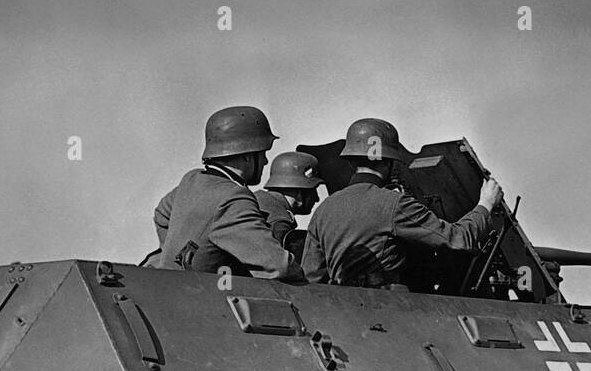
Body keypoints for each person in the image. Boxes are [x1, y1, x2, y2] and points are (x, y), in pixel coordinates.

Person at [302, 117, 503, 288]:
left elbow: (312, 276)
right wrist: (485, 204)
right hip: (388, 308)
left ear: (351, 160)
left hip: (340, 309)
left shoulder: (324, 209)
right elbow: (457, 239)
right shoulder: (394, 204)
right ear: (389, 162)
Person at [145, 106, 302, 281]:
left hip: (175, 288)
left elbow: (161, 215)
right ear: (247, 155)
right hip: (206, 297)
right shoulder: (233, 198)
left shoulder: (193, 179)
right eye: (263, 153)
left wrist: (181, 257)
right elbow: (279, 266)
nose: (265, 161)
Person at [255, 152, 325, 244]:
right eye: (313, 191)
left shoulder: (255, 200)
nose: (317, 198)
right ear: (300, 192)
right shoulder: (279, 224)